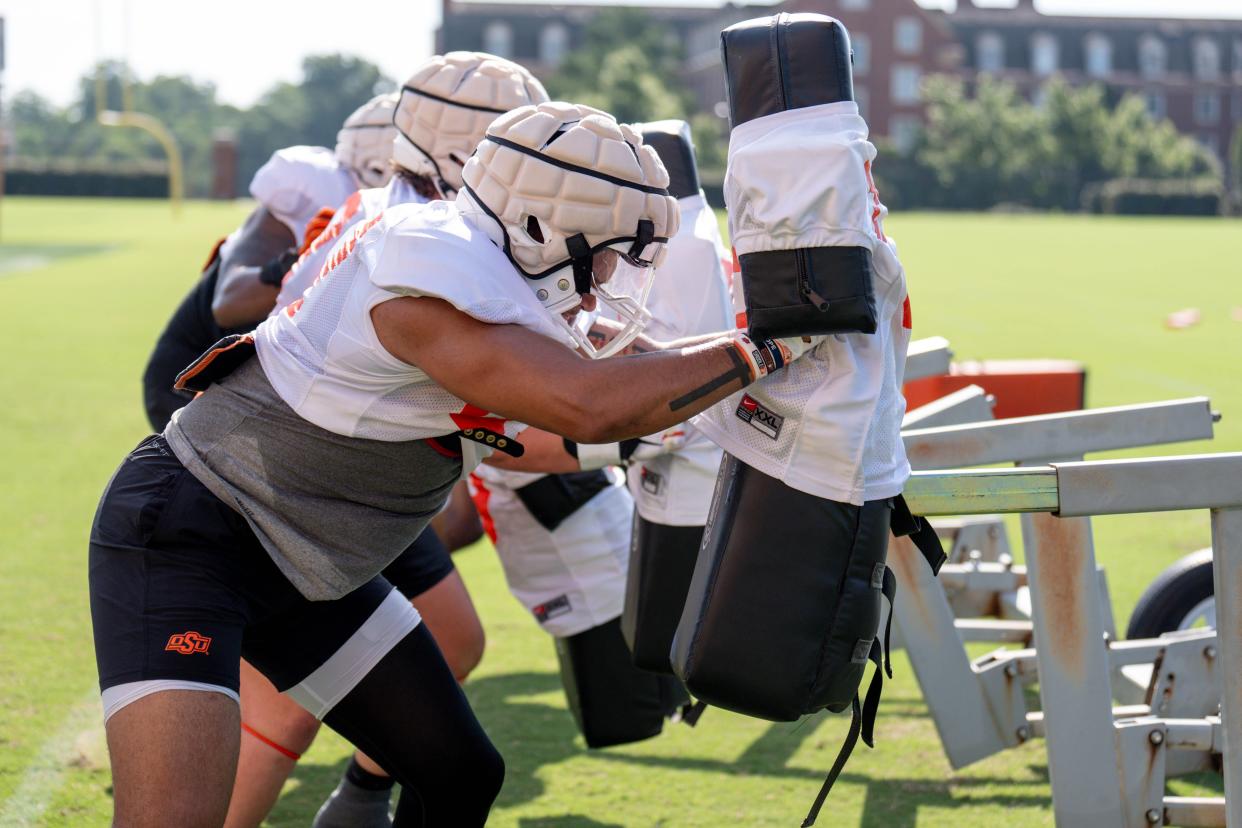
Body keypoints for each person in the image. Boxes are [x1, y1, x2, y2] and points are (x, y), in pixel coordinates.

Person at [91, 100, 818, 827]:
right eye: (603, 250)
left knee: (458, 774)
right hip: (196, 538)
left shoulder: (484, 261)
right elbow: (589, 404)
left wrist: (763, 341)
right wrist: (774, 345)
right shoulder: (427, 280)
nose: (607, 275)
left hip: (308, 562)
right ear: (540, 222)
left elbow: (633, 369)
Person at [222, 52, 549, 828]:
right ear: (461, 149)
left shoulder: (437, 221)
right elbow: (506, 412)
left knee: (456, 645)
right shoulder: (406, 231)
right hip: (314, 482)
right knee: (287, 709)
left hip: (375, 478)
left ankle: (361, 799)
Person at [140, 92, 397, 433]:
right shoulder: (317, 189)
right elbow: (229, 302)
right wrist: (304, 260)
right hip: (193, 380)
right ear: (381, 159)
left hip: (273, 379)